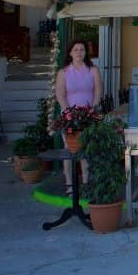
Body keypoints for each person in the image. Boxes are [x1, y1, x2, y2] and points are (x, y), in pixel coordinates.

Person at [54, 39, 103, 193]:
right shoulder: (63, 72)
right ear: (70, 53)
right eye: (76, 50)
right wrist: (68, 113)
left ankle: (86, 182)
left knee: (86, 150)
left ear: (86, 52)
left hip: (88, 116)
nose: (79, 53)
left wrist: (92, 110)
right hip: (69, 117)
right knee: (69, 149)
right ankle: (69, 184)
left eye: (82, 49)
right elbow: (60, 94)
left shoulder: (93, 69)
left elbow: (98, 91)